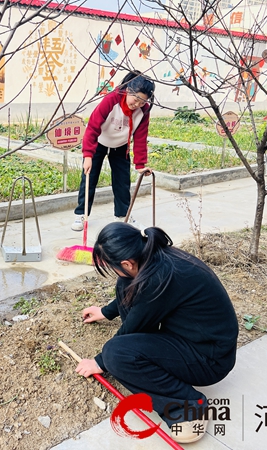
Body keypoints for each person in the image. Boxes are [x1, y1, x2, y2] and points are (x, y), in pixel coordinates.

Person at [75, 222, 238, 444]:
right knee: (125, 281)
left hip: (209, 359)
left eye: (112, 266)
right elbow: (138, 296)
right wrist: (105, 311)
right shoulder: (154, 257)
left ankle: (188, 407)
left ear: (126, 262)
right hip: (195, 339)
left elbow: (135, 324)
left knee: (116, 354)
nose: (114, 271)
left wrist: (100, 362)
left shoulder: (161, 278)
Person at [71, 71, 155, 232]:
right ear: (128, 90)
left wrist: (140, 164)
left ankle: (123, 215)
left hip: (121, 145)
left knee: (122, 182)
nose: (137, 104)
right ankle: (81, 214)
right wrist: (88, 155)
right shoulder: (111, 99)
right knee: (89, 178)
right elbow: (93, 127)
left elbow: (140, 137)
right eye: (136, 99)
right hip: (99, 142)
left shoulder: (143, 110)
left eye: (142, 101)